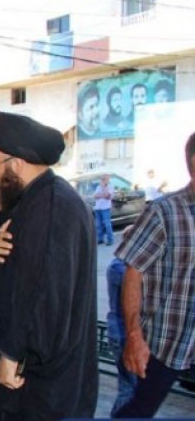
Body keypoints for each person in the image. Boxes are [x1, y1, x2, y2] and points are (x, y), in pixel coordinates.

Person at [0, 111, 98, 420]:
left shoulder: (54, 207)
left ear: (17, 163)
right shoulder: (28, 200)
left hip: (34, 383)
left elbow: (46, 295)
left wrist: (11, 354)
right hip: (19, 374)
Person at [113, 132, 195, 418]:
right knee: (137, 411)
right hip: (166, 341)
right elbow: (132, 272)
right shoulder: (164, 212)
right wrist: (134, 336)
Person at [104, 252, 138, 417]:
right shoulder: (120, 268)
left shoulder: (117, 266)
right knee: (130, 388)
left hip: (119, 332)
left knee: (128, 385)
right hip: (123, 335)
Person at [93, 174, 115, 245]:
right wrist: (102, 195)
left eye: (104, 179)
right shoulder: (98, 187)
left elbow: (107, 196)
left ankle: (110, 240)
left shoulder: (110, 187)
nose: (102, 181)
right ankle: (100, 239)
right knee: (99, 225)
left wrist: (103, 187)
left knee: (107, 224)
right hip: (98, 208)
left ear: (107, 180)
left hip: (105, 208)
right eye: (101, 179)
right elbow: (95, 196)